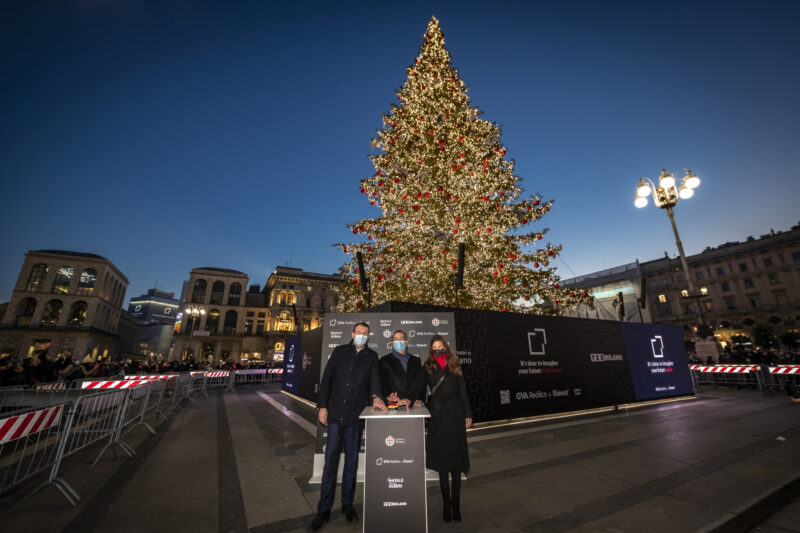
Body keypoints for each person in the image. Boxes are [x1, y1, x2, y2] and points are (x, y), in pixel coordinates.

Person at [308, 322, 387, 532]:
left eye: (365, 334)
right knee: (330, 464)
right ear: (352, 334)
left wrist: (377, 397)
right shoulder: (339, 352)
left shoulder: (372, 357)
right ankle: (323, 509)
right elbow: (326, 380)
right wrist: (322, 406)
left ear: (369, 337)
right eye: (358, 333)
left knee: (351, 463)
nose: (361, 336)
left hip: (355, 419)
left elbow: (375, 380)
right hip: (334, 416)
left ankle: (347, 504)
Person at [400, 335, 472, 523]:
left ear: (445, 348)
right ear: (431, 350)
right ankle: (446, 506)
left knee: (455, 464)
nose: (438, 350)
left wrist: (468, 414)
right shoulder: (428, 367)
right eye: (435, 347)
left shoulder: (455, 365)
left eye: (441, 347)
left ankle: (456, 505)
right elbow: (417, 385)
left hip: (456, 415)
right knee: (442, 464)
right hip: (438, 416)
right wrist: (407, 398)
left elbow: (463, 391)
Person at [379, 330, 422, 406]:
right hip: (394, 404)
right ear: (392, 343)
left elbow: (421, 383)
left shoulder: (416, 361)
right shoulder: (384, 360)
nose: (398, 341)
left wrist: (418, 400)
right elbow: (383, 383)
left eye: (401, 338)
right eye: (396, 339)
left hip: (413, 404)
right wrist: (390, 397)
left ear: (406, 342)